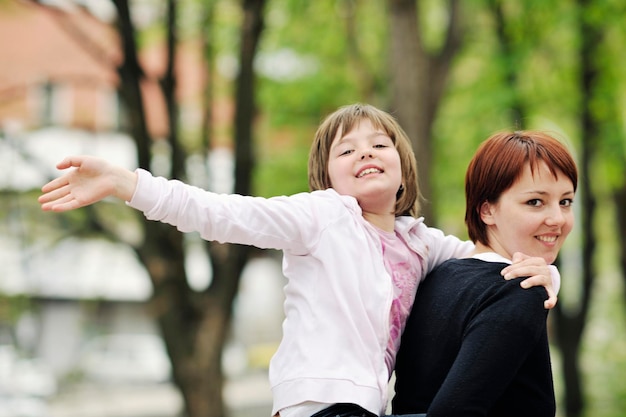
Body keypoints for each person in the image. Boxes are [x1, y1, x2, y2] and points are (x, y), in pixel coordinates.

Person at [38, 104, 557, 417]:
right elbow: (221, 213)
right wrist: (127, 184)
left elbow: (486, 260)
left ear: (403, 170)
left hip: (368, 406)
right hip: (318, 403)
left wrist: (544, 269)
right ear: (327, 175)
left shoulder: (419, 242)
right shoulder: (320, 218)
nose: (365, 154)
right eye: (346, 151)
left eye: (379, 144)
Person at [392, 130, 577, 417]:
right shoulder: (520, 291)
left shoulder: (438, 278)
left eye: (565, 201)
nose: (558, 219)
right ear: (487, 211)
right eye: (535, 202)